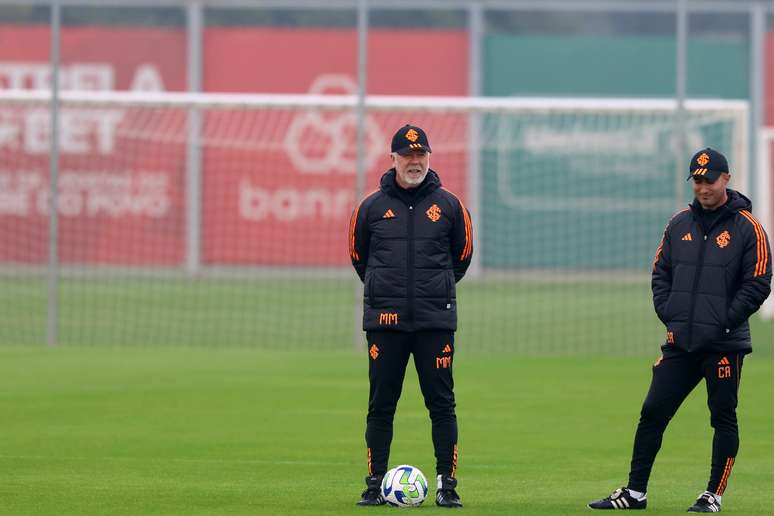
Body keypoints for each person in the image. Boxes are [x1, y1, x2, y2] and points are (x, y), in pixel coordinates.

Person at [588, 148, 771, 512]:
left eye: (710, 180)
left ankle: (712, 495)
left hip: (723, 345)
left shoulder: (748, 228)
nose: (703, 188)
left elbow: (759, 281)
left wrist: (725, 320)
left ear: (726, 180)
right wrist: (670, 315)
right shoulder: (678, 224)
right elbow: (661, 273)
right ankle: (635, 492)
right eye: (698, 181)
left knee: (722, 416)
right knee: (653, 410)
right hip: (680, 343)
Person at [348, 124, 473, 508]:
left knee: (442, 405)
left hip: (435, 323)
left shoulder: (450, 206)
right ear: (394, 159)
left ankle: (447, 485)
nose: (414, 162)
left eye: (420, 156)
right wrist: (387, 296)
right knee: (381, 404)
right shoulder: (369, 208)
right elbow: (359, 258)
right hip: (386, 325)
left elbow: (462, 257)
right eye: (407, 156)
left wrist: (433, 294)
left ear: (429, 158)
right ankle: (373, 483)